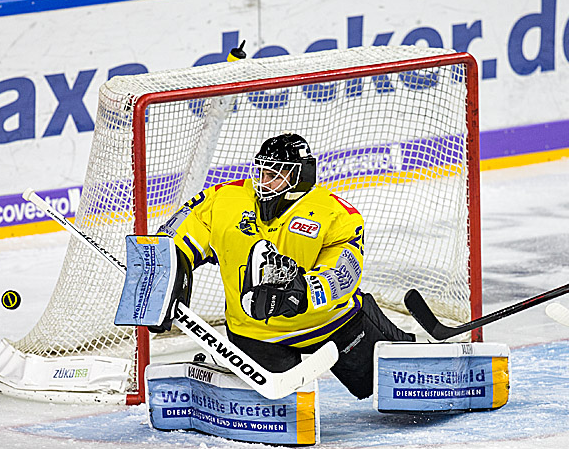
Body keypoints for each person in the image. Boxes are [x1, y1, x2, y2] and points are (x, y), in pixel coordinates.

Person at [130, 132, 414, 400]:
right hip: (256, 333)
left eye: (275, 175)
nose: (264, 181)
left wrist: (301, 291)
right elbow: (173, 237)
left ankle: (403, 349)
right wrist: (164, 273)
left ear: (300, 176)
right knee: (278, 409)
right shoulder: (223, 200)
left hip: (332, 323)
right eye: (262, 172)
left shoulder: (336, 215)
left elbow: (343, 273)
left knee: (385, 386)